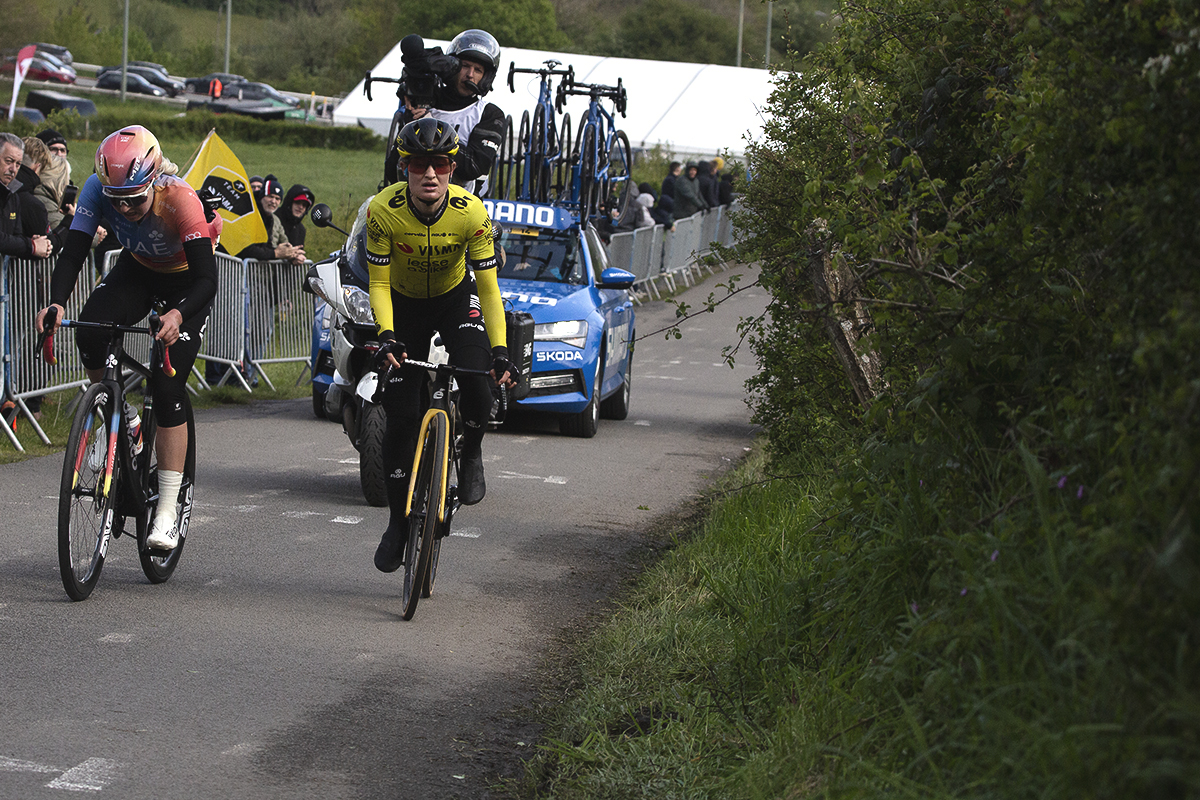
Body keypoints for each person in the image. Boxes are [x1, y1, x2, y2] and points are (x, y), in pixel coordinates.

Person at [36, 125, 222, 551]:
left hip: (185, 282)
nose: (126, 208)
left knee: (167, 382)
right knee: (90, 331)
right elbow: (75, 251)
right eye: (117, 201)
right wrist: (56, 302)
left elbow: (207, 280)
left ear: (154, 180)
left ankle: (167, 510)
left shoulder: (179, 197)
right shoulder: (95, 190)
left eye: (135, 199)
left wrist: (177, 313)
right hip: (137, 270)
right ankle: (126, 420)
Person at [365, 117, 513, 573]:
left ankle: (470, 454)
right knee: (401, 417)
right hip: (404, 306)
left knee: (477, 385)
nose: (430, 174)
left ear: (452, 169)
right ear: (404, 169)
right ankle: (396, 522)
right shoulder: (382, 210)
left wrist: (501, 350)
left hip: (455, 300)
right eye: (419, 165)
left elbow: (488, 288)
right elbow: (379, 283)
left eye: (441, 165)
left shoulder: (471, 213)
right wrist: (387, 336)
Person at [381, 29, 506, 196]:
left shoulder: (489, 113)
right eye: (465, 66)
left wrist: (431, 129)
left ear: (486, 78)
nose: (470, 75)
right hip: (412, 200)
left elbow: (475, 167)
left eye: (478, 70)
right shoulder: (424, 103)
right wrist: (411, 127)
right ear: (452, 67)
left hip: (461, 204)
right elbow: (392, 170)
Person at [0, 134, 53, 260]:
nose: (13, 169)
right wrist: (31, 245)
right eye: (8, 161)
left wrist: (37, 244)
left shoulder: (13, 196)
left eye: (18, 164)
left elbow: (16, 237)